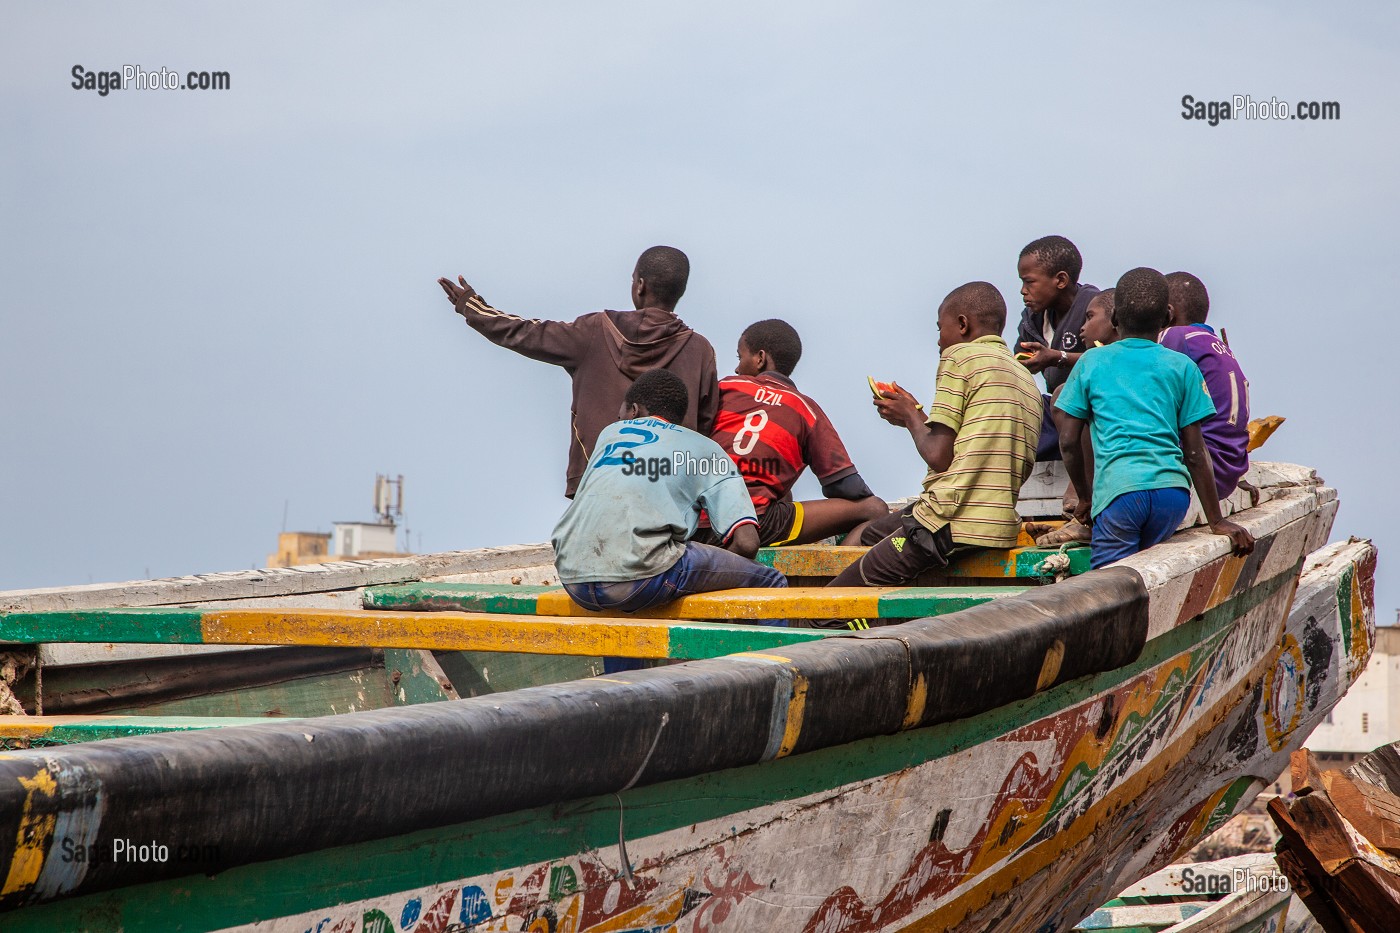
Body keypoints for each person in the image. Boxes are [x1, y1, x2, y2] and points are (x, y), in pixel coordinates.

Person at [437, 246, 719, 498]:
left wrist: (472, 307)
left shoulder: (595, 330)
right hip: (670, 486)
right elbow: (706, 426)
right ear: (679, 292)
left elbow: (526, 333)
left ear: (640, 286)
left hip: (600, 480)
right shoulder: (701, 350)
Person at [825, 282, 1042, 592]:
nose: (939, 340)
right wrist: (912, 415)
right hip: (998, 522)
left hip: (949, 521)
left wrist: (912, 416)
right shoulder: (1022, 375)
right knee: (870, 534)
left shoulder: (959, 357)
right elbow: (964, 448)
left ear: (963, 324)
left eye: (941, 328)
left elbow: (939, 456)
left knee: (836, 599)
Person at [1055, 268, 1255, 570]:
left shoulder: (1091, 362)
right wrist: (1217, 520)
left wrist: (1085, 498)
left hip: (1119, 495)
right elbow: (1195, 451)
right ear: (1166, 318)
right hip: (1171, 497)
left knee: (1110, 589)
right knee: (1146, 576)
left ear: (1115, 320)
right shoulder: (1182, 366)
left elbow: (1069, 440)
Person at [551, 369, 787, 619]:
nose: (618, 418)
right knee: (771, 581)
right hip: (640, 580)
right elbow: (747, 542)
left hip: (573, 578)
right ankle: (769, 659)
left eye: (620, 413)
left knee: (628, 605)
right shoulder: (703, 448)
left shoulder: (609, 436)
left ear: (633, 411)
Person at [703, 319, 888, 546]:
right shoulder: (804, 409)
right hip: (757, 523)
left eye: (740, 357)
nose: (737, 368)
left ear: (760, 358)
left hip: (700, 518)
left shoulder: (726, 388)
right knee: (875, 508)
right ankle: (839, 580)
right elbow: (845, 485)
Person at [1033, 288, 1119, 546]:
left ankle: (1086, 509)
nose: (1082, 328)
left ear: (1114, 320)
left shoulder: (1096, 360)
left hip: (1119, 481)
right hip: (1161, 485)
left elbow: (1069, 440)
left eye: (1089, 318)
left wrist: (1083, 493)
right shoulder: (1163, 359)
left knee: (1063, 398)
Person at [1160, 272, 1251, 502]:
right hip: (1229, 468)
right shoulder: (1213, 343)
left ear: (1167, 312)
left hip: (1202, 469)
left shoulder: (1176, 336)